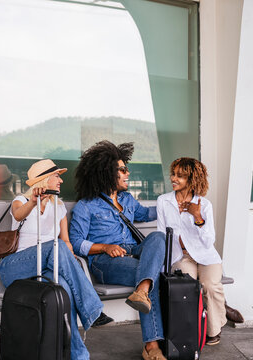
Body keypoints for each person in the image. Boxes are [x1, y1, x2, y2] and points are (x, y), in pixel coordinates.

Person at [69, 141, 167, 360]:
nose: (127, 173)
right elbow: (75, 243)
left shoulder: (128, 200)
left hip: (132, 250)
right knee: (153, 275)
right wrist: (105, 247)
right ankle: (152, 347)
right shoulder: (86, 206)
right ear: (106, 174)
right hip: (104, 262)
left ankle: (142, 288)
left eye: (126, 169)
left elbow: (148, 213)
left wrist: (174, 202)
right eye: (122, 170)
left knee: (158, 237)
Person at [0, 159, 103, 360]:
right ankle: (93, 310)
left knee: (63, 286)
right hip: (16, 268)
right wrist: (33, 201)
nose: (61, 180)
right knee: (57, 247)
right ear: (44, 179)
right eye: (56, 175)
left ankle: (79, 355)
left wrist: (69, 260)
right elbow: (19, 216)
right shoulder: (20, 201)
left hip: (46, 266)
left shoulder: (60, 207)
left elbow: (66, 241)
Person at [156, 157, 227, 346]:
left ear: (192, 179)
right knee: (187, 288)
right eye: (173, 174)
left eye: (180, 176)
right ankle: (191, 329)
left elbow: (209, 240)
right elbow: (162, 234)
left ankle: (213, 329)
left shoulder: (204, 205)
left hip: (205, 255)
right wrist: (163, 265)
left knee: (210, 286)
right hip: (181, 255)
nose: (174, 178)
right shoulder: (163, 201)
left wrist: (197, 217)